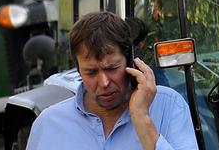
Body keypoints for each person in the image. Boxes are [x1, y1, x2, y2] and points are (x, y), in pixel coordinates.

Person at [27, 11, 198, 150]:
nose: (103, 82)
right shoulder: (49, 124)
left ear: (130, 61)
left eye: (111, 68)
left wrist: (141, 116)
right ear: (78, 69)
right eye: (91, 72)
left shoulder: (168, 105)